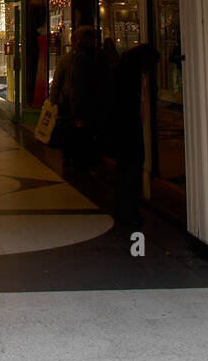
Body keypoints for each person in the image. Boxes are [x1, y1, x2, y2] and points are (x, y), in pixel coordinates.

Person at [111, 42, 159, 227]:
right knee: (130, 170)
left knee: (125, 170)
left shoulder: (124, 72)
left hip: (125, 130)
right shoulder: (129, 76)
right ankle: (128, 211)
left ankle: (125, 210)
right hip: (128, 130)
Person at [49, 25, 104, 173]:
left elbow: (57, 82)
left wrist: (52, 101)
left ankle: (71, 157)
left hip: (71, 102)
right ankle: (83, 160)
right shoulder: (97, 57)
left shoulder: (69, 59)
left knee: (70, 131)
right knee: (80, 132)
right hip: (84, 104)